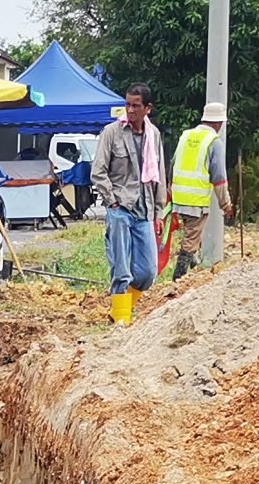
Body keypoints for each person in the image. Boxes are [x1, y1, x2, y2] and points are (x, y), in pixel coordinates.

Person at [90, 84, 163, 323]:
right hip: (120, 208)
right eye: (127, 104)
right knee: (121, 270)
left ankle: (119, 311)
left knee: (148, 272)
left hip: (145, 209)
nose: (130, 110)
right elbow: (98, 171)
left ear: (147, 109)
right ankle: (121, 320)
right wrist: (111, 202)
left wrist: (159, 212)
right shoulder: (112, 132)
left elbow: (159, 175)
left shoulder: (154, 136)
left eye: (136, 106)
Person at [167, 100, 235, 279]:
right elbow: (219, 178)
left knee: (193, 235)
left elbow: (172, 164)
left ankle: (195, 266)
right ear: (219, 123)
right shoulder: (214, 142)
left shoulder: (186, 136)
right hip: (195, 200)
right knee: (191, 239)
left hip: (178, 196)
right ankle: (178, 278)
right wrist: (225, 204)